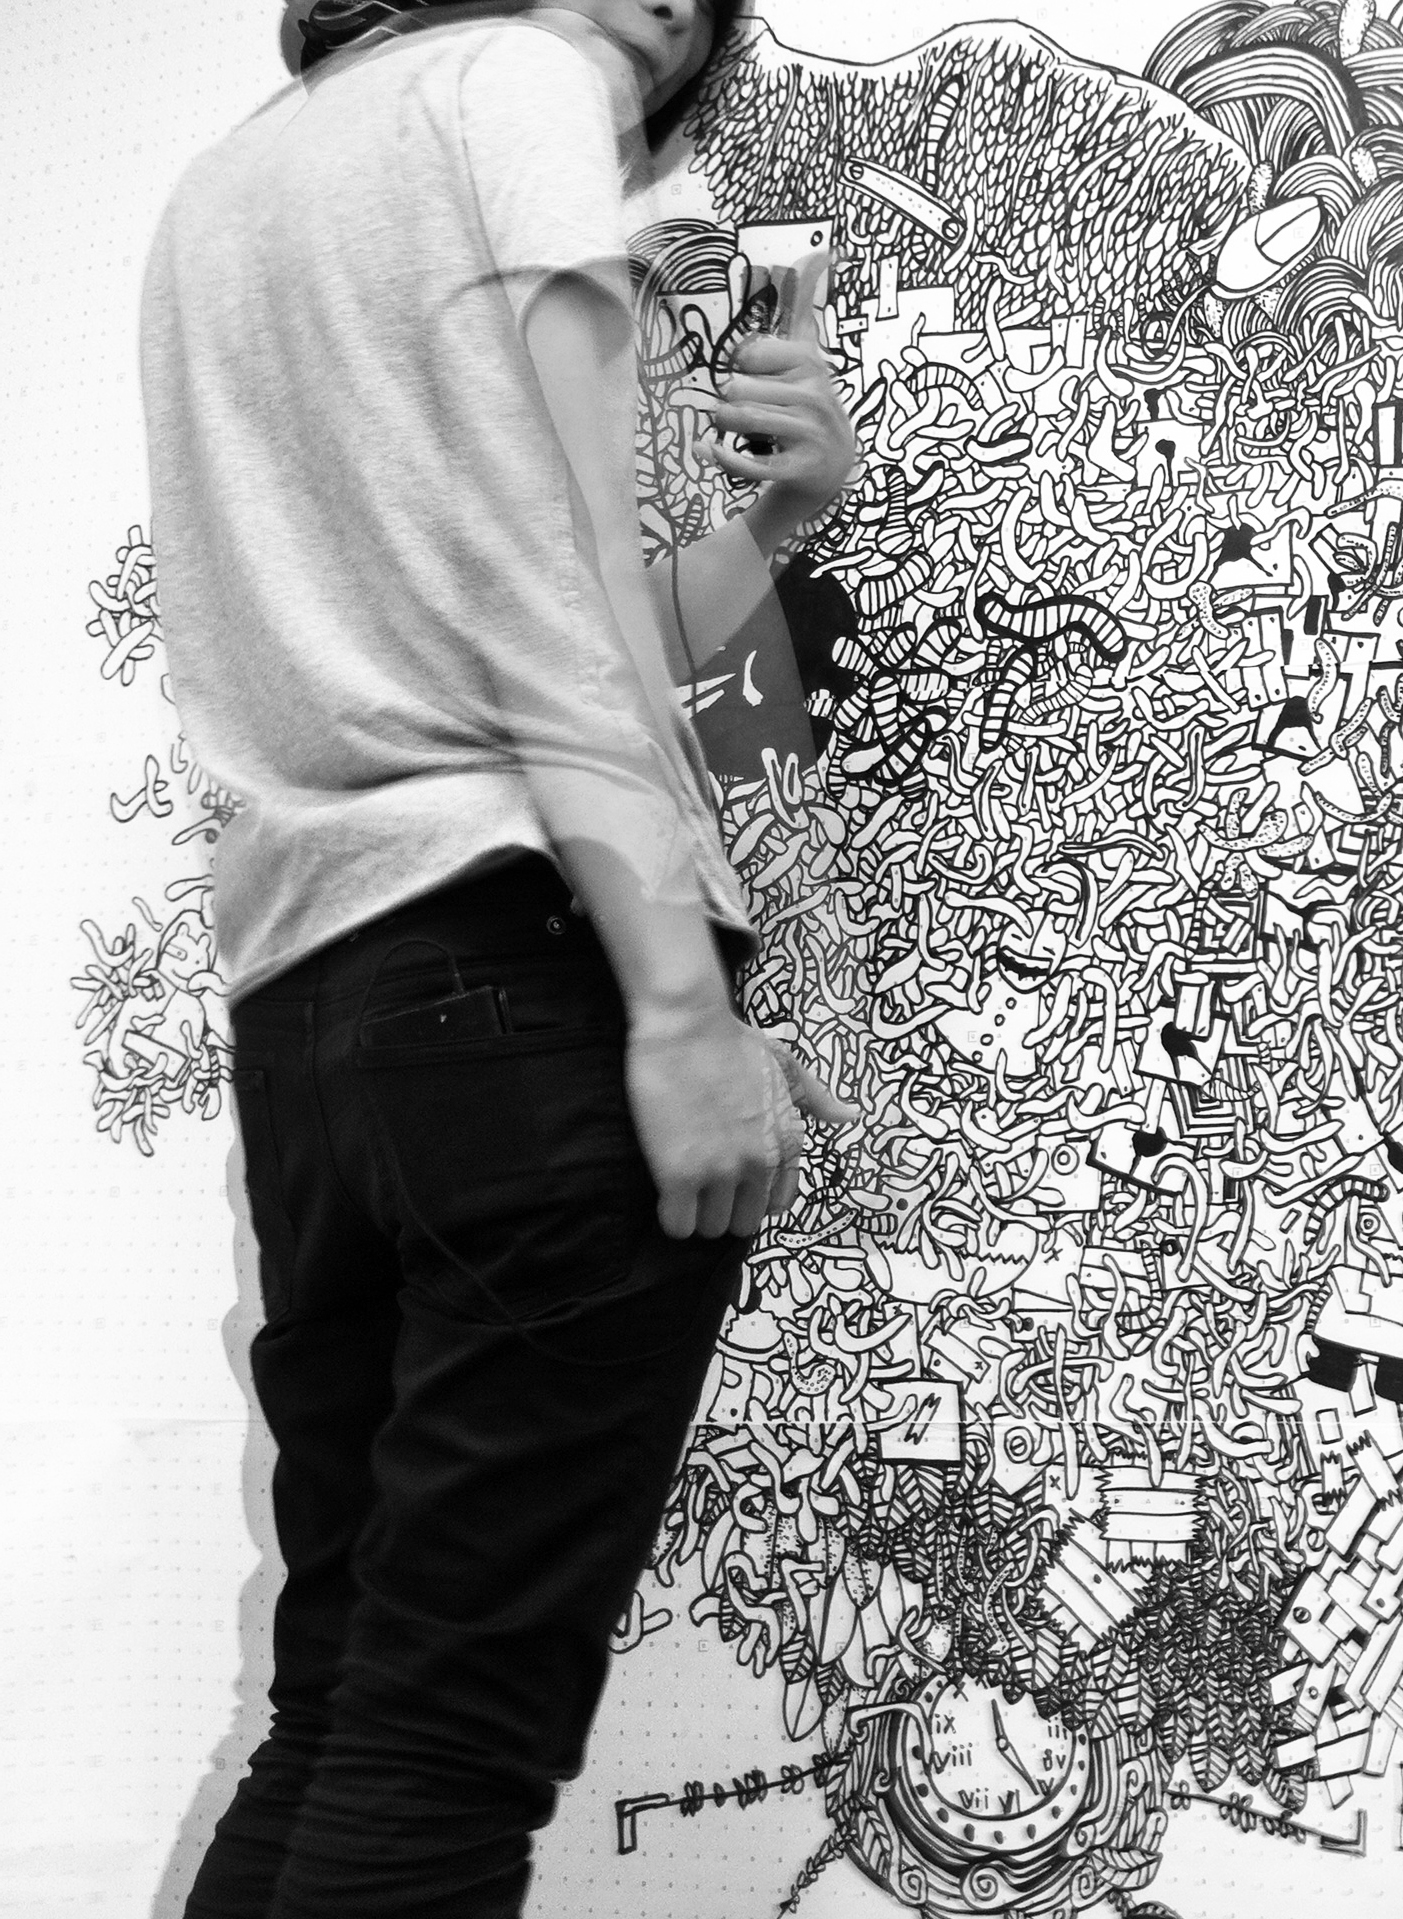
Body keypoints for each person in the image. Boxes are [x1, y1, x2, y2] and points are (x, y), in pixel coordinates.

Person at [139, 2, 861, 1911]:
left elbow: (509, 610)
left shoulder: (232, 185)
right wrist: (678, 1000)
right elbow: (537, 600)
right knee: (440, 1753)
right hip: (522, 981)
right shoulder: (524, 82)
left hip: (323, 1014)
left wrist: (776, 526)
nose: (665, 18)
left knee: (341, 1719)